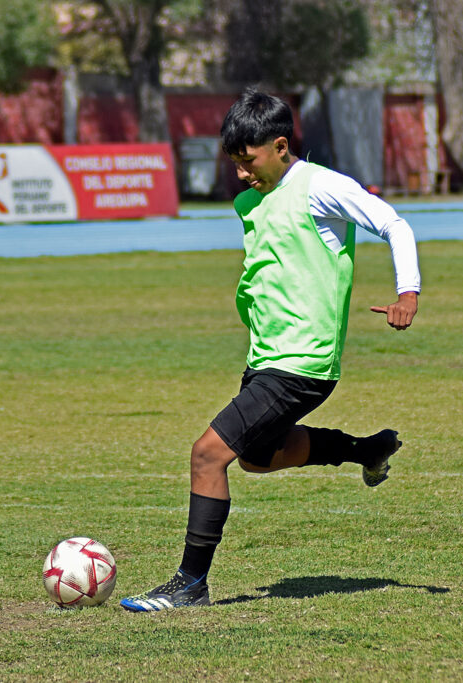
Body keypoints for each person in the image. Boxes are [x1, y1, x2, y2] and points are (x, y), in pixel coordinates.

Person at [120, 89, 421, 612]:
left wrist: (407, 292)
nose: (241, 174)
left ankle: (190, 584)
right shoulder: (252, 202)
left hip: (302, 363)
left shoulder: (320, 187)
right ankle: (367, 449)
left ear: (281, 145)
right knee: (259, 460)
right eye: (234, 163)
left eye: (248, 161)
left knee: (207, 454)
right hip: (267, 360)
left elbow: (393, 223)